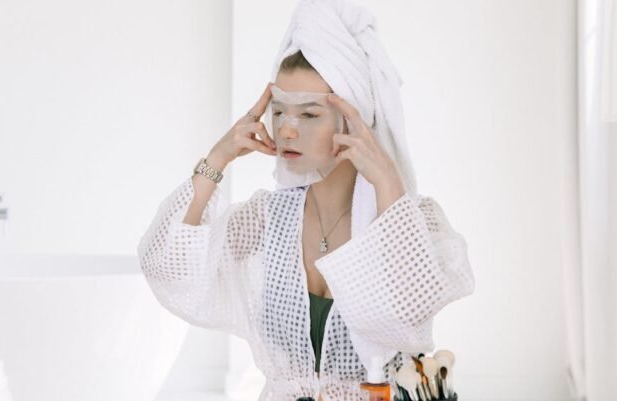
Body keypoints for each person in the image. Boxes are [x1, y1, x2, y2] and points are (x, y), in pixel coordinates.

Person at [137, 1, 475, 400]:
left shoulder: (414, 219)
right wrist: (217, 159)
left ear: (353, 120)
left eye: (309, 115)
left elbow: (406, 318)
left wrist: (386, 182)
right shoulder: (268, 218)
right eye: (279, 111)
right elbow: (169, 268)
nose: (286, 130)